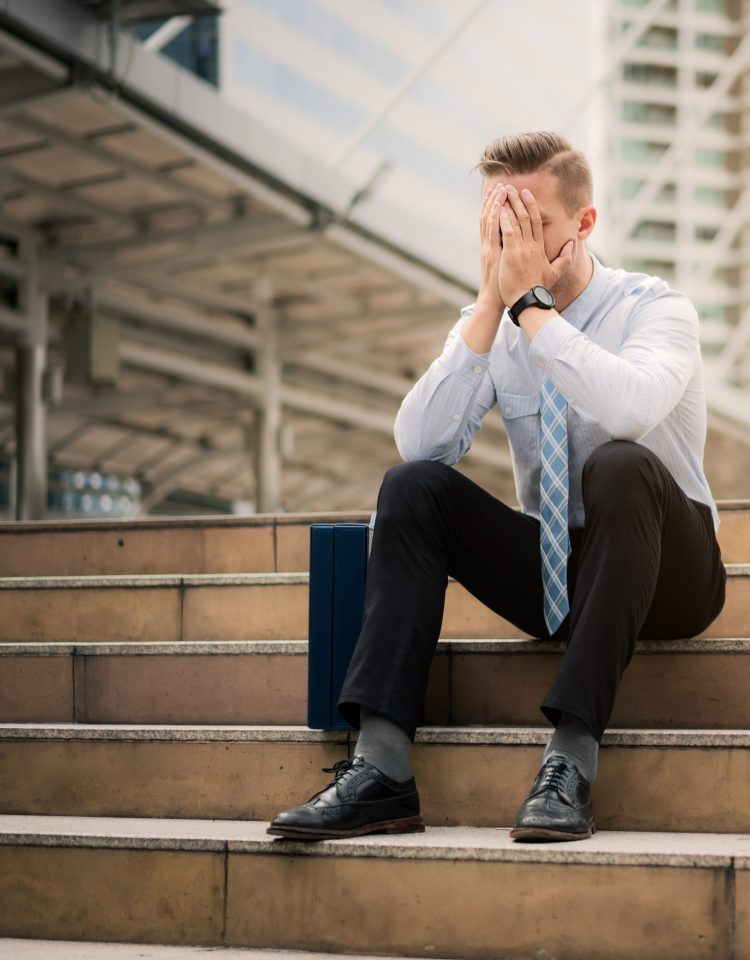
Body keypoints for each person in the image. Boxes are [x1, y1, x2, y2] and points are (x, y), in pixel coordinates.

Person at [267, 131, 726, 843]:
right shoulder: (495, 318)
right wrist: (491, 305)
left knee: (621, 464)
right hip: (556, 580)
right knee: (413, 488)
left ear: (584, 224)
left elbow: (630, 411)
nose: (515, 242)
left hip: (670, 572)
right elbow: (420, 444)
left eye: (532, 224)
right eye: (498, 224)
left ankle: (570, 761)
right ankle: (382, 768)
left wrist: (535, 314)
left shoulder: (656, 309)